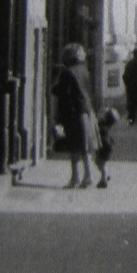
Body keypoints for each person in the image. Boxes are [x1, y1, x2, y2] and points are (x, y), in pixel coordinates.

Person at [52, 43, 100, 189]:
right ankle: (88, 175)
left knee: (74, 147)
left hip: (72, 113)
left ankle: (76, 177)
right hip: (85, 110)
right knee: (84, 146)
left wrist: (54, 86)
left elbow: (62, 92)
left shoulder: (67, 72)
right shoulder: (84, 70)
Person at [94, 108, 118, 189]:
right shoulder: (107, 126)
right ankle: (105, 175)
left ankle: (104, 180)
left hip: (103, 145)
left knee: (100, 162)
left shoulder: (102, 124)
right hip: (108, 146)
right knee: (100, 162)